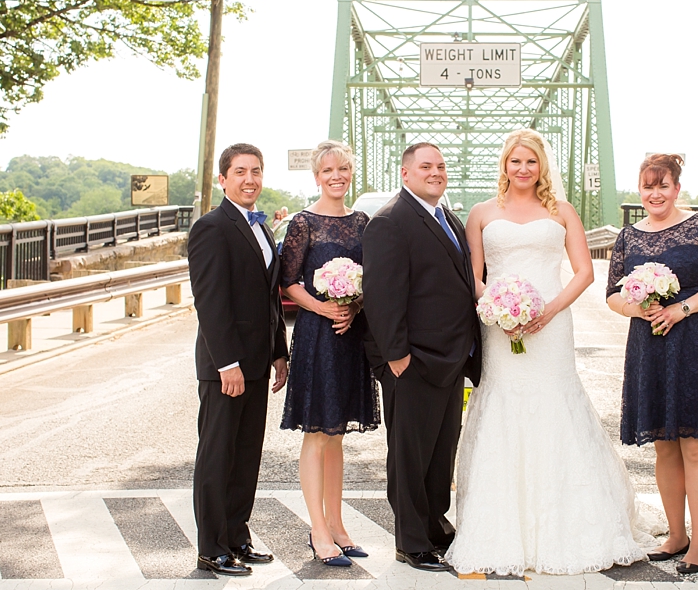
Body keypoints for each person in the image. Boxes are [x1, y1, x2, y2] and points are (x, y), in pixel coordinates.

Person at [445, 129, 661, 576]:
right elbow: (473, 276)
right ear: (504, 165)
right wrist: (497, 309)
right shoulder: (482, 213)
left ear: (542, 166)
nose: (523, 169)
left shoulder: (562, 210)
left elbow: (583, 272)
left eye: (531, 161)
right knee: (503, 405)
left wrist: (548, 310)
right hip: (500, 328)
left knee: (555, 404)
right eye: (515, 161)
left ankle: (572, 524)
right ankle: (502, 526)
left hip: (552, 323)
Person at [606, 154, 698, 575]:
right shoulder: (628, 237)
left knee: (695, 446)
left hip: (697, 342)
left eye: (663, 185)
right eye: (648, 187)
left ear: (676, 188)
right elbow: (612, 294)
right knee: (664, 445)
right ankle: (676, 535)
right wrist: (638, 308)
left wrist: (681, 309)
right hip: (650, 345)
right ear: (639, 190)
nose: (655, 194)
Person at [362, 142, 482, 572]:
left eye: (441, 166)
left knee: (439, 452)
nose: (436, 172)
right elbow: (381, 294)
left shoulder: (446, 217)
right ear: (405, 173)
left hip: (449, 358)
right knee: (410, 456)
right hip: (412, 361)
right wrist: (396, 356)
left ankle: (434, 525)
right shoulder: (390, 221)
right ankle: (411, 541)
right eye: (426, 166)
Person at [187, 143, 289, 576]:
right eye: (241, 172)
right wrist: (226, 362)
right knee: (217, 456)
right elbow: (210, 301)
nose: (250, 179)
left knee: (246, 454)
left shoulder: (262, 227)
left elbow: (270, 298)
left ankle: (237, 537)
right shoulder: (211, 227)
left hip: (257, 362)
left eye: (256, 171)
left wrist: (279, 352)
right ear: (223, 179)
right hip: (225, 367)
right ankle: (212, 547)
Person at [279, 140, 380, 567]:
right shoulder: (303, 223)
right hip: (317, 336)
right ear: (317, 176)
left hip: (349, 335)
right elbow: (287, 281)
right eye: (328, 171)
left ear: (351, 172)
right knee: (317, 433)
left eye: (343, 169)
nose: (336, 176)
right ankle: (318, 531)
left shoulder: (362, 222)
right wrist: (323, 308)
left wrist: (355, 306)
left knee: (337, 435)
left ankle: (338, 526)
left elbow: (373, 277)